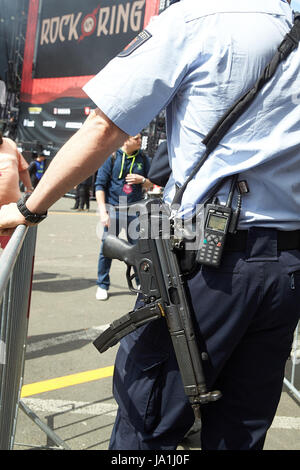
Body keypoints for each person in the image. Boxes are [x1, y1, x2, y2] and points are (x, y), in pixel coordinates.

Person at [0, 0, 299, 451]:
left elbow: (105, 127)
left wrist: (29, 209)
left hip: (210, 260)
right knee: (241, 428)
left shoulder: (196, 19)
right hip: (285, 264)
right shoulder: (289, 24)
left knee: (148, 423)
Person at [95, 134, 151, 300]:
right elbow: (99, 186)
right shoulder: (111, 156)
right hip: (114, 209)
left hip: (135, 211)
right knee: (108, 247)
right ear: (126, 139)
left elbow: (151, 183)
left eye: (141, 138)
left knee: (139, 249)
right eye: (137, 138)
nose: (140, 141)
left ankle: (142, 282)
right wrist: (103, 212)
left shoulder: (143, 158)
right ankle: (102, 284)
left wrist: (143, 180)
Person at [0, 130, 33, 248]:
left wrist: (29, 189)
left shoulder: (10, 144)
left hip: (11, 210)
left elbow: (23, 169)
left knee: (10, 250)